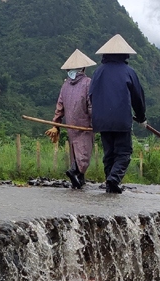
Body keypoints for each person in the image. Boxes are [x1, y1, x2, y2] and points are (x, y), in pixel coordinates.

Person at [89, 34, 146, 194]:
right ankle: (113, 179)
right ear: (124, 54)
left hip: (101, 120)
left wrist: (100, 113)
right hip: (121, 120)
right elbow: (137, 97)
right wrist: (141, 117)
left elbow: (91, 95)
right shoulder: (128, 71)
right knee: (124, 152)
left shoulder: (98, 72)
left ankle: (110, 183)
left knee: (109, 153)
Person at [45, 49, 96, 189]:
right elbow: (91, 105)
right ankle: (74, 171)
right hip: (84, 126)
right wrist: (95, 121)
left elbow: (59, 107)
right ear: (84, 68)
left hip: (70, 125)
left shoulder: (65, 84)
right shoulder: (88, 83)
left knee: (76, 151)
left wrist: (56, 123)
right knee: (84, 153)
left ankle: (80, 179)